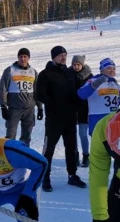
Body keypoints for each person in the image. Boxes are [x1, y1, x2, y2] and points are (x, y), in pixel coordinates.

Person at [36, 46, 86, 191]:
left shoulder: (70, 73)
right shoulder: (45, 74)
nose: (63, 57)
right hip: (54, 119)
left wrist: (78, 104)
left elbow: (76, 92)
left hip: (70, 118)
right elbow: (39, 94)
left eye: (65, 55)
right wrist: (54, 103)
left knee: (71, 148)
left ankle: (72, 175)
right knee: (49, 149)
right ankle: (45, 176)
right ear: (53, 57)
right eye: (60, 55)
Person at [0, 47, 42, 147]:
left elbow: (37, 91)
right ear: (18, 58)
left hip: (29, 109)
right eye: (21, 57)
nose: (23, 59)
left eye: (25, 57)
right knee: (10, 136)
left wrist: (40, 107)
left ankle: (24, 156)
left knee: (26, 136)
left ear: (28, 58)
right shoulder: (10, 70)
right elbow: (2, 89)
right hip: (14, 108)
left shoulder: (33, 72)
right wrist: (3, 106)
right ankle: (9, 156)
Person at [78, 58, 120, 136]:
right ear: (102, 70)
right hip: (98, 120)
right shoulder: (93, 80)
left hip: (114, 120)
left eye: (113, 68)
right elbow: (81, 94)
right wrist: (94, 85)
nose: (112, 70)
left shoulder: (115, 84)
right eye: (108, 68)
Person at [72, 55, 93, 167]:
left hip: (84, 109)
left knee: (83, 134)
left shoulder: (89, 76)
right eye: (74, 64)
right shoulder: (68, 75)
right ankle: (74, 155)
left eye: (78, 64)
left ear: (82, 65)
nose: (76, 67)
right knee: (72, 134)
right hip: (72, 109)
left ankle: (86, 155)